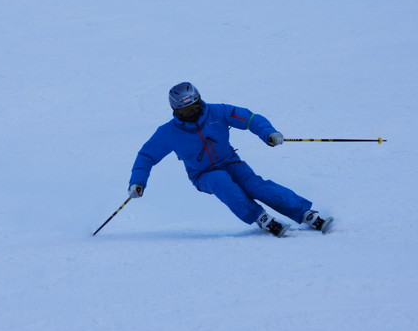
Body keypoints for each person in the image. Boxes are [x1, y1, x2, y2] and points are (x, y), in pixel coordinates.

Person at [128, 82, 332, 236]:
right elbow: (146, 156)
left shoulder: (218, 112)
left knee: (255, 185)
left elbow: (250, 118)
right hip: (202, 174)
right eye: (186, 111)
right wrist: (137, 182)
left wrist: (268, 133)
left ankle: (305, 213)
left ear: (200, 101)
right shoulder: (168, 133)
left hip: (230, 162)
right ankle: (258, 216)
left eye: (195, 107)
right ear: (176, 111)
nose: (192, 114)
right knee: (220, 181)